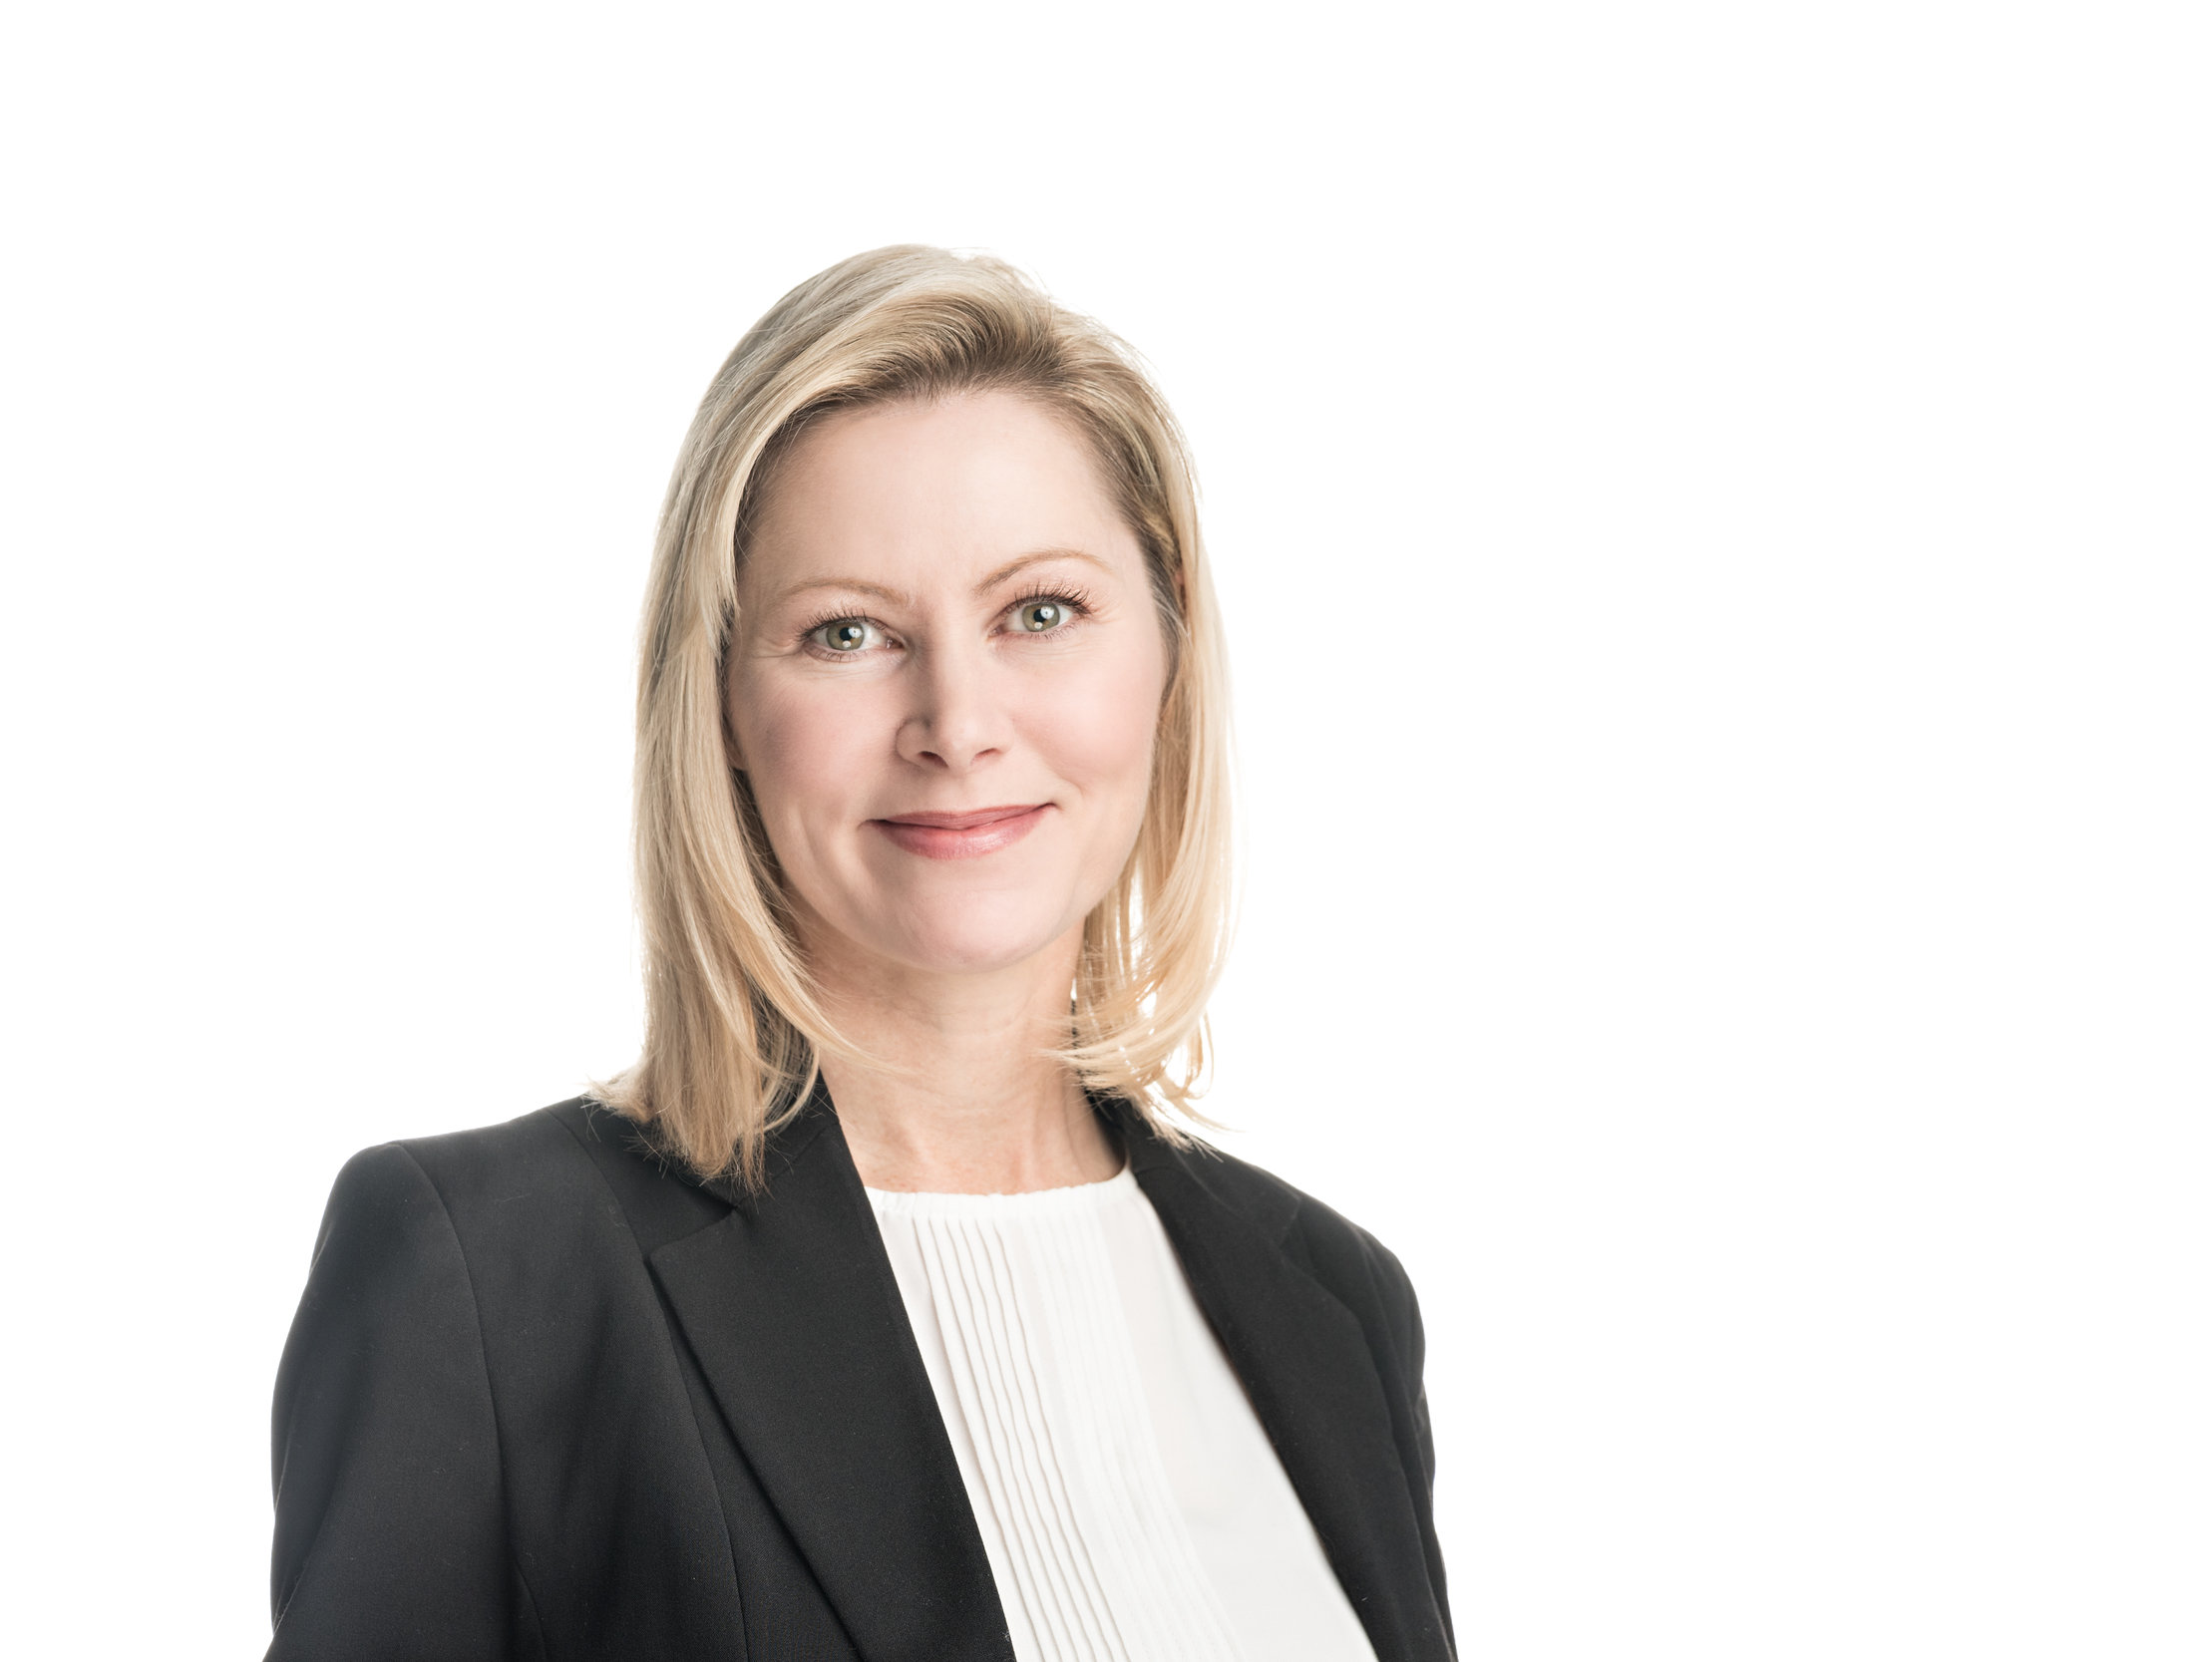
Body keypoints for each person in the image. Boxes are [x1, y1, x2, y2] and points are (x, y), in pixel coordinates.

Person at [266, 246, 1453, 1662]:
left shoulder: (1338, 1307)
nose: (958, 720)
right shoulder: (487, 1276)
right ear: (717, 703)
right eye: (846, 633)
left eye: (1041, 612)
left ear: (1168, 659)